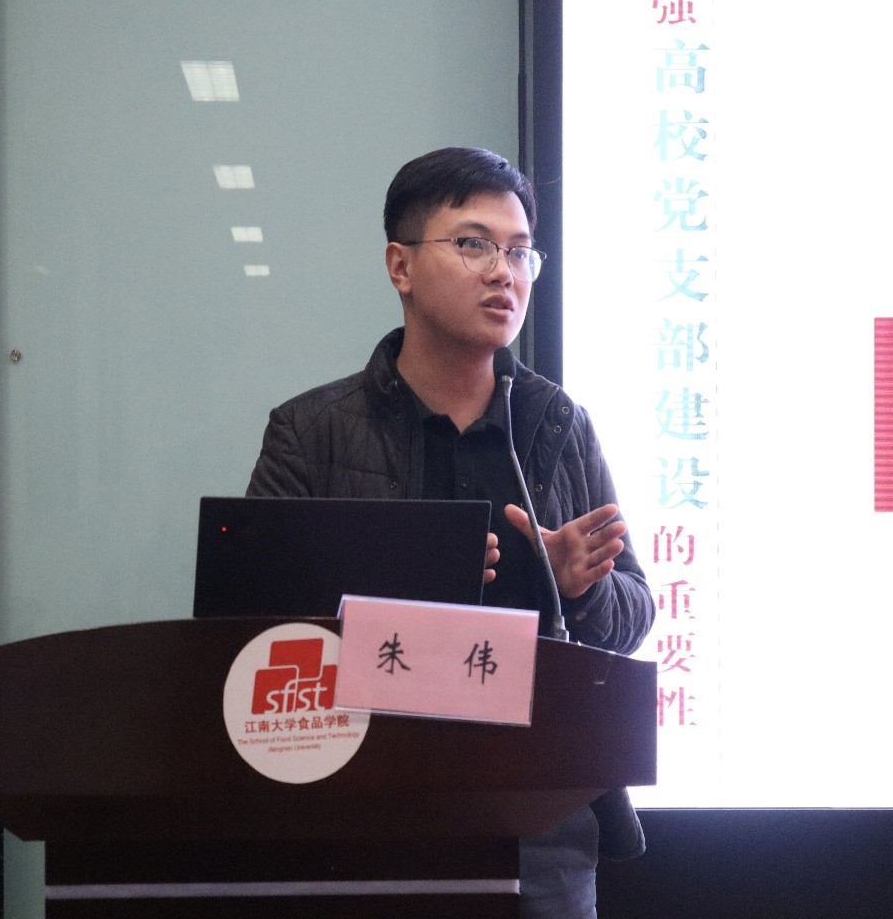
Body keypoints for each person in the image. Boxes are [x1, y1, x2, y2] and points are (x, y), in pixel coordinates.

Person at [247, 146, 655, 918]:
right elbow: (250, 632)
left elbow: (634, 615)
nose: (505, 272)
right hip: (361, 821)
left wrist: (580, 588)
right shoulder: (311, 432)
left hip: (539, 826)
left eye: (520, 251)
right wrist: (399, 582)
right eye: (474, 244)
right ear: (400, 266)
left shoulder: (556, 425)